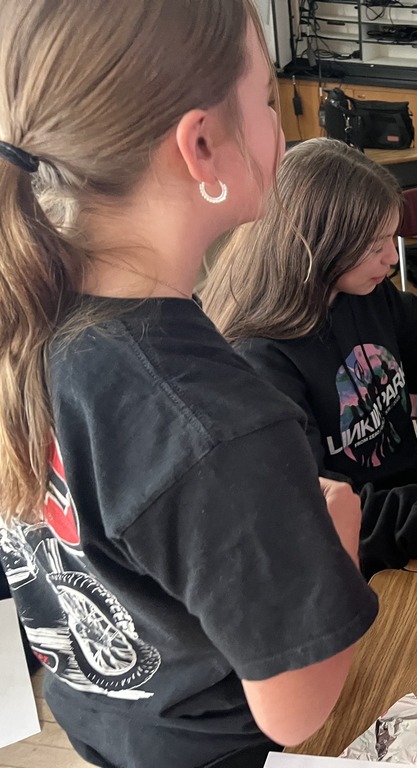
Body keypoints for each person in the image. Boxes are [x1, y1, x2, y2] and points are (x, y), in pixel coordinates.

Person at [0, 3, 377, 767]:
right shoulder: (218, 424)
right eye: (269, 101)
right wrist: (336, 535)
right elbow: (295, 712)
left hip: (101, 721)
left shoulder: (27, 311)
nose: (281, 128)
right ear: (202, 144)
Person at [202, 138, 417, 576]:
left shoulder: (364, 292)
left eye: (391, 239)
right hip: (361, 555)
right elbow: (311, 510)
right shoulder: (259, 360)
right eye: (375, 246)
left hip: (416, 512)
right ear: (318, 247)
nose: (392, 257)